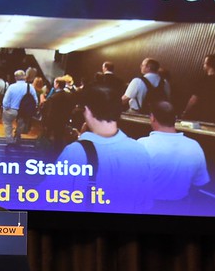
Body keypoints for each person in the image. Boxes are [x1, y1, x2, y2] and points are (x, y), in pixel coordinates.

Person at [52, 81, 152, 213]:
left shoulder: (76, 152)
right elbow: (146, 202)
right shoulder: (140, 150)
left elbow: (51, 196)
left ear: (87, 111)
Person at [138, 100, 210, 213]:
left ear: (152, 118)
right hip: (181, 208)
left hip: (148, 208)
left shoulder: (142, 145)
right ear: (175, 119)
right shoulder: (194, 146)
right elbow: (200, 182)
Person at [181, 54, 215, 124]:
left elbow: (193, 100)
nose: (204, 65)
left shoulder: (203, 81)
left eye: (205, 63)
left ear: (209, 66)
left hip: (203, 117)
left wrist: (185, 112)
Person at [1, 69, 38, 147]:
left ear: (15, 78)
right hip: (23, 111)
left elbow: (6, 100)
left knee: (7, 123)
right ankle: (17, 137)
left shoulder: (12, 87)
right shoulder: (30, 87)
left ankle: (9, 140)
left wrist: (5, 107)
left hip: (11, 109)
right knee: (21, 124)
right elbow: (35, 100)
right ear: (24, 77)